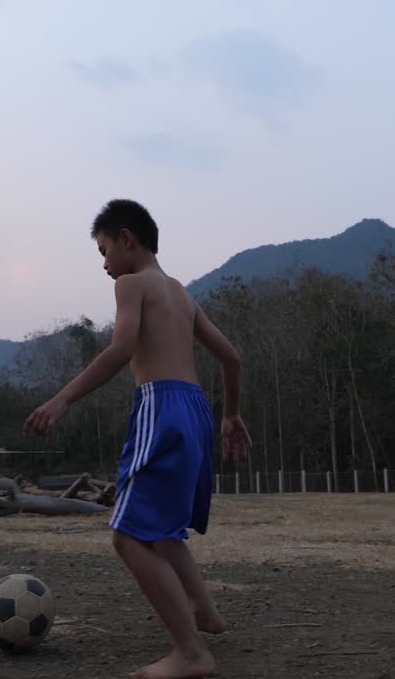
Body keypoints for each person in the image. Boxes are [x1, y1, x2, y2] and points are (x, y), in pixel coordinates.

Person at [23, 198, 251, 679]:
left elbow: (120, 350)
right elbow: (231, 358)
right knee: (164, 529)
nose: (105, 265)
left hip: (161, 408)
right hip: (196, 409)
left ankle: (190, 653)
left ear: (127, 238)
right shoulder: (182, 295)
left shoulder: (131, 284)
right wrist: (230, 415)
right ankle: (205, 614)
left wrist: (61, 400)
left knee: (128, 537)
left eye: (104, 250)